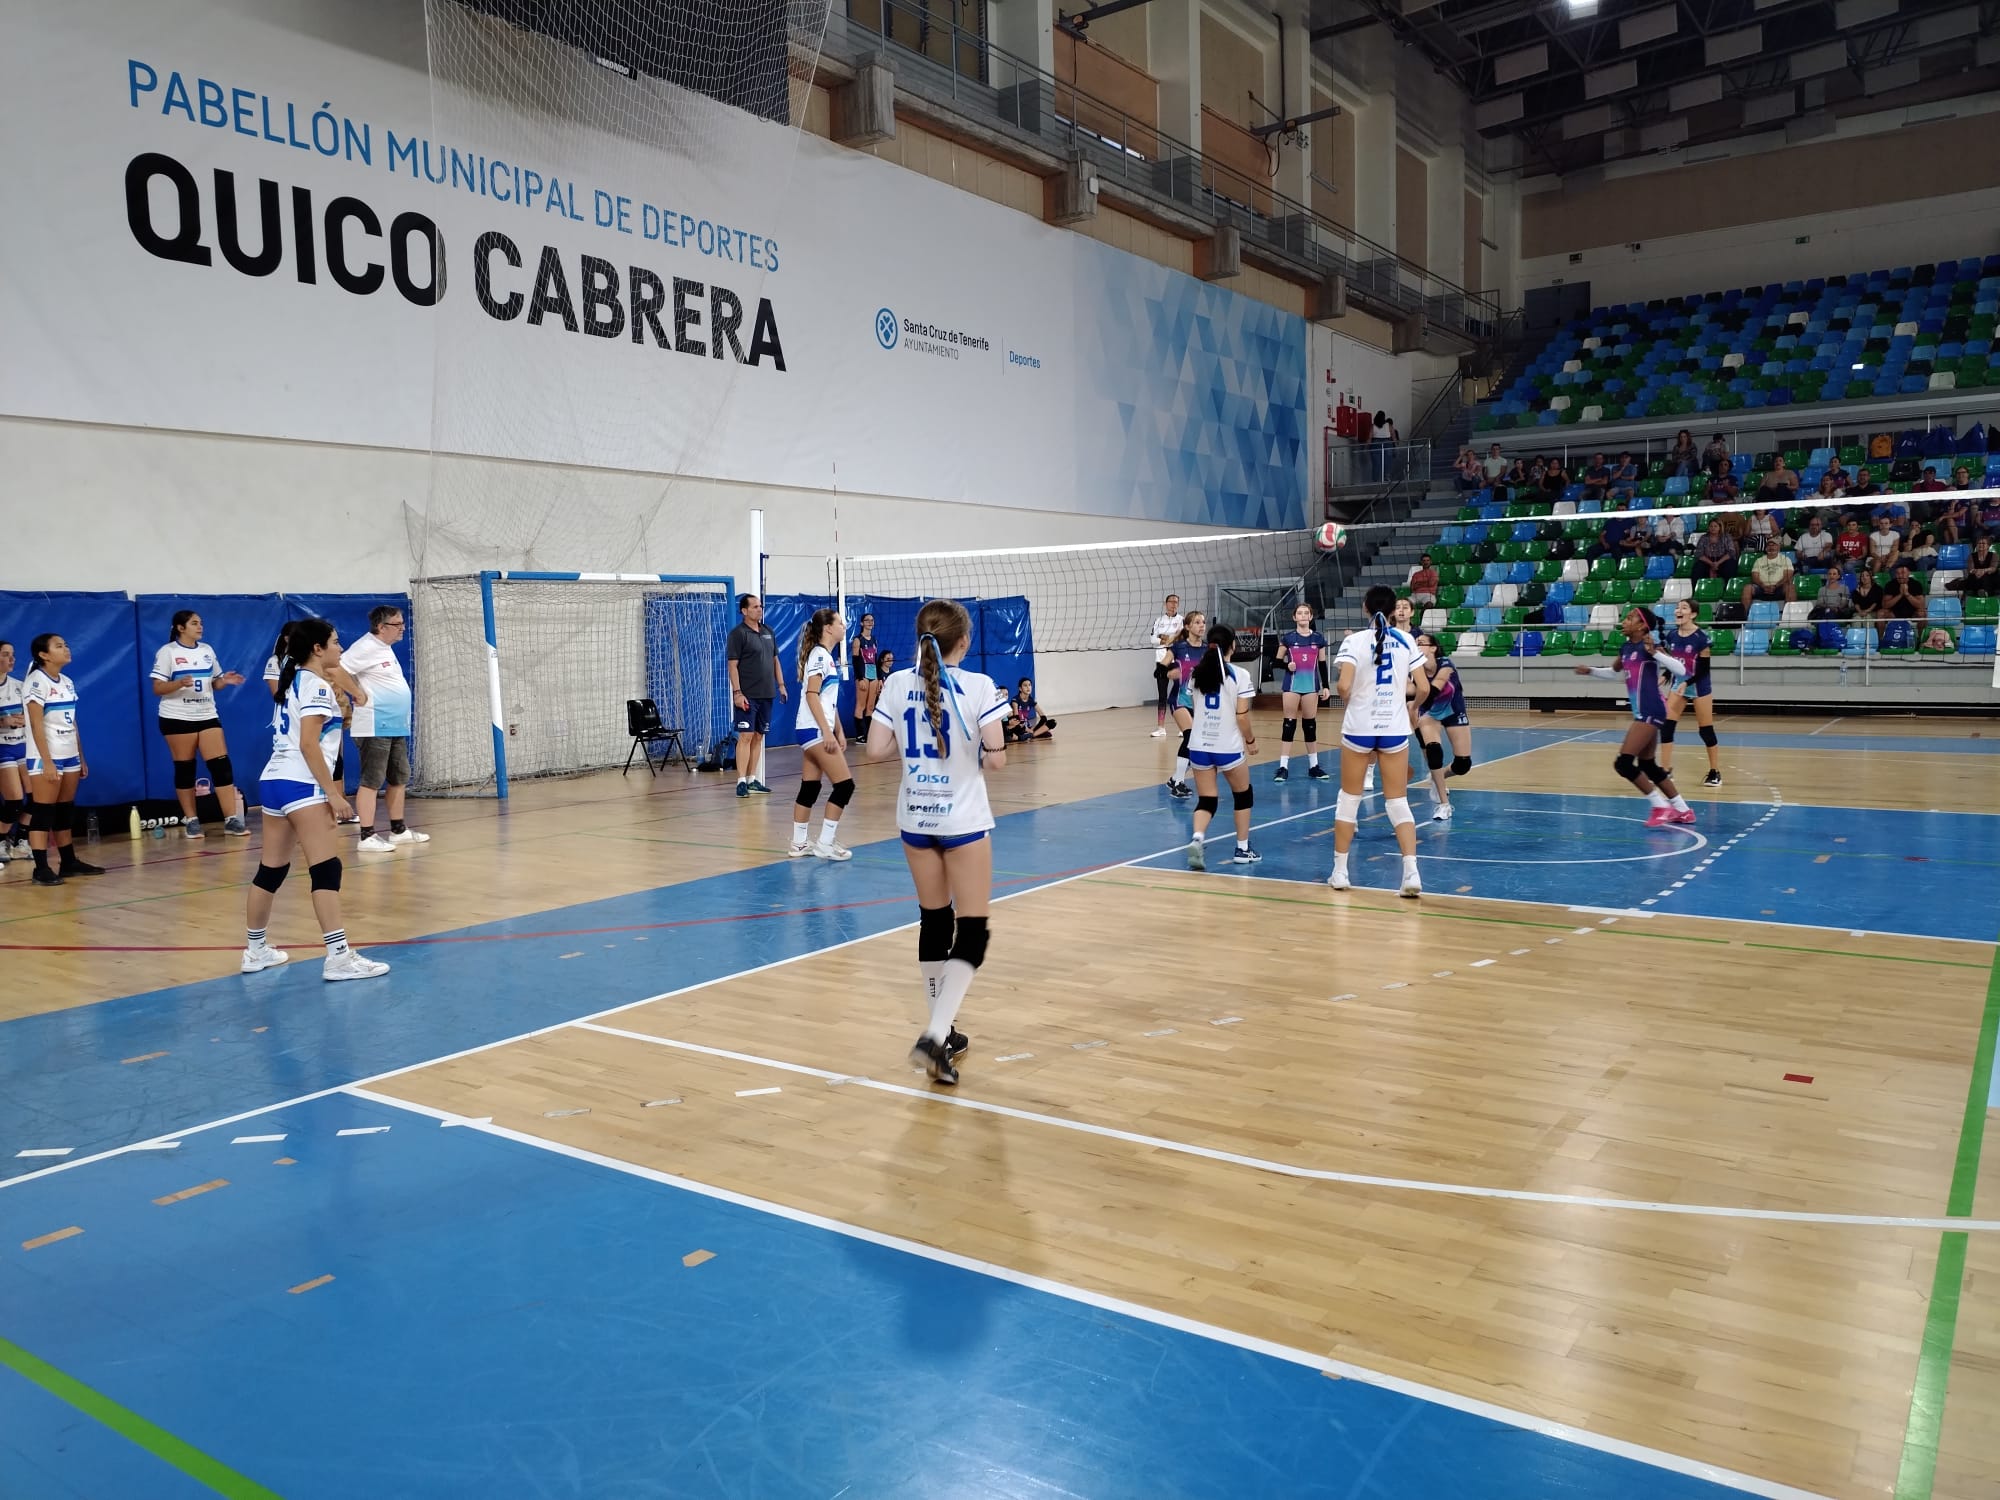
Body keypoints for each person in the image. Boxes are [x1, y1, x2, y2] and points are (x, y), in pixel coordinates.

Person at [865, 598, 1011, 1087]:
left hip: (915, 817)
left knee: (934, 919)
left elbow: (876, 749)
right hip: (962, 818)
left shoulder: (896, 682)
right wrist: (989, 747)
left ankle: (943, 1033)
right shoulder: (979, 685)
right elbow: (995, 760)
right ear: (963, 641)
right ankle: (933, 1032)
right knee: (972, 932)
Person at [245, 618, 388, 981]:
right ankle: (339, 957)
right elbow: (309, 745)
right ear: (317, 649)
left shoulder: (292, 683)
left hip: (274, 781)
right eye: (336, 642)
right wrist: (333, 793)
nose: (341, 649)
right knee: (326, 868)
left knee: (271, 870)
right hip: (302, 784)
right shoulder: (316, 687)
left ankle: (255, 950)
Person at [1327, 585, 1429, 898]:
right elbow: (1423, 687)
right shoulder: (1406, 639)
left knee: (1350, 798)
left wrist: (1355, 699)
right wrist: (1411, 709)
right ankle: (1411, 873)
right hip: (1394, 727)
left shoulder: (1354, 641)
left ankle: (1340, 872)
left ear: (1365, 608)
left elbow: (1343, 685)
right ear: (1392, 609)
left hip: (1360, 726)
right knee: (1397, 801)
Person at [1571, 608, 1696, 827]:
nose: (1624, 621)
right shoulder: (1627, 647)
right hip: (1643, 711)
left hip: (1651, 709)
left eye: (1630, 618)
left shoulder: (1650, 647)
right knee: (1647, 765)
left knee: (1624, 764)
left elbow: (1682, 670)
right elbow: (1613, 671)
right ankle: (1684, 811)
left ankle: (1660, 806)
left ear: (1641, 626)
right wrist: (1590, 670)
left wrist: (1656, 653)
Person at [151, 610, 250, 839]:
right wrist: (177, 684)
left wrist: (224, 681)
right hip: (177, 717)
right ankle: (192, 820)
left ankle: (231, 819)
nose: (200, 627)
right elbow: (158, 688)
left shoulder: (207, 650)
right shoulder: (168, 653)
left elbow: (215, 684)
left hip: (207, 714)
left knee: (221, 767)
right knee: (185, 769)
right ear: (180, 627)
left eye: (201, 623)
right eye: (194, 623)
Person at [341, 605, 427, 851]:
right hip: (375, 725)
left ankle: (398, 830)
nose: (402, 628)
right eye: (396, 624)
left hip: (395, 725)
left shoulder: (385, 649)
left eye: (402, 623)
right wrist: (356, 693)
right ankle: (367, 836)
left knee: (399, 777)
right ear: (381, 627)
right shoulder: (365, 647)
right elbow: (337, 668)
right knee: (371, 780)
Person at [22, 634, 104, 885]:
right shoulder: (36, 682)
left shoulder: (66, 681)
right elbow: (36, 725)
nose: (66, 649)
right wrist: (47, 762)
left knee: (64, 811)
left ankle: (68, 862)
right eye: (59, 646)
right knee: (43, 812)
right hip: (46, 756)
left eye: (66, 644)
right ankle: (40, 868)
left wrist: (80, 756)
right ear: (44, 655)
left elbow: (73, 722)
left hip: (69, 755)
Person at [1182, 623, 1260, 870]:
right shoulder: (1240, 674)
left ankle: (1197, 838)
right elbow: (1242, 717)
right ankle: (1242, 849)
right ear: (1232, 646)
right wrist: (1250, 741)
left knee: (1207, 799)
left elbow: (1190, 706)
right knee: (1243, 795)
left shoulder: (1196, 673)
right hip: (1227, 746)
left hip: (1199, 746)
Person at [786, 608, 856, 861]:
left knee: (811, 787)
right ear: (828, 628)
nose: (844, 625)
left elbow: (826, 698)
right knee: (845, 786)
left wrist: (838, 729)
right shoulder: (819, 656)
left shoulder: (825, 656)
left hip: (812, 728)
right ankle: (825, 844)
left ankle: (799, 843)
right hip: (814, 729)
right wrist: (826, 731)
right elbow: (812, 695)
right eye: (839, 622)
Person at [726, 594, 785, 797]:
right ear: (744, 611)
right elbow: (732, 666)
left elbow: (775, 660)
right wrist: (737, 692)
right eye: (754, 607)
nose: (759, 609)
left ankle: (752, 780)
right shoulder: (738, 634)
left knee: (759, 737)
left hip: (766, 693)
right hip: (747, 695)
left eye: (760, 606)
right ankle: (741, 781)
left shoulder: (768, 631)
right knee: (746, 736)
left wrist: (782, 685)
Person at [1659, 599, 1721, 788]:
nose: (1678, 610)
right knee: (1666, 727)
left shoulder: (1701, 638)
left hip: (1699, 687)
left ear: (1693, 614)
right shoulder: (1672, 636)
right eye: (1678, 607)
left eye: (1684, 607)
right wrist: (1665, 675)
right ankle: (1666, 770)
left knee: (1705, 731)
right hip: (1679, 685)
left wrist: (1687, 683)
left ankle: (1715, 772)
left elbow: (1703, 670)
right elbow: (1675, 663)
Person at [1411, 632, 1472, 821]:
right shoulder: (1413, 669)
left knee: (1463, 765)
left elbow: (1434, 688)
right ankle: (1444, 804)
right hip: (1429, 714)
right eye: (1414, 643)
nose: (1416, 646)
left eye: (1420, 643)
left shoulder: (1445, 664)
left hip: (1453, 711)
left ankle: (1438, 776)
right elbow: (1406, 690)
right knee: (1434, 752)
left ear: (1433, 648)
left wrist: (1412, 701)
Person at [1273, 603, 1330, 783]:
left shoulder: (1318, 639)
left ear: (1311, 617)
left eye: (1307, 612)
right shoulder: (1288, 639)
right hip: (1292, 685)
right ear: (1294, 617)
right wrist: (1286, 665)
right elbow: (1275, 661)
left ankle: (1314, 766)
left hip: (1311, 686)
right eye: (1300, 613)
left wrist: (1326, 686)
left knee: (1310, 725)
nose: (1303, 615)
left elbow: (1322, 664)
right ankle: (1283, 767)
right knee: (1289, 724)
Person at [1165, 611, 1207, 797]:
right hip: (1179, 699)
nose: (1202, 625)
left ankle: (1175, 778)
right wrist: (1170, 671)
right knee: (1190, 737)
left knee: (1198, 743)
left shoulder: (1208, 649)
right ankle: (1179, 784)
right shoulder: (1179, 647)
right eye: (1197, 622)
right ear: (1188, 627)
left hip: (1198, 702)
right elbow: (1163, 666)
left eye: (1203, 622)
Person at [0, 642, 28, 862]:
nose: (12, 659)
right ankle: (1, 841)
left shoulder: (20, 686)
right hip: (3, 749)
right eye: (5, 655)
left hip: (23, 746)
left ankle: (21, 841)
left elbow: (33, 716)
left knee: (39, 798)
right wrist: (3, 721)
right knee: (15, 800)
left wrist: (23, 719)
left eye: (13, 655)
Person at [1149, 594, 1183, 738]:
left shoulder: (1181, 620)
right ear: (1165, 604)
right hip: (1161, 661)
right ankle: (1161, 728)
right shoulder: (1159, 620)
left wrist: (1169, 638)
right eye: (1171, 602)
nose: (1173, 604)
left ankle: (1183, 727)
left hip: (1176, 660)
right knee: (1162, 695)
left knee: (1179, 695)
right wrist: (1167, 638)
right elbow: (1152, 639)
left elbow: (1181, 637)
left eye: (1176, 602)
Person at [848, 612, 883, 742]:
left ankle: (869, 734)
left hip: (873, 673)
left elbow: (876, 659)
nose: (870, 622)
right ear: (862, 623)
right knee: (860, 705)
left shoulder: (874, 640)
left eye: (872, 620)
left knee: (870, 707)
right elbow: (856, 660)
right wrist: (860, 678)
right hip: (863, 674)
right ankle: (860, 735)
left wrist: (879, 678)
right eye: (867, 620)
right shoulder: (858, 640)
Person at [1739, 537, 1796, 613]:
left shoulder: (1785, 559)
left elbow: (1788, 576)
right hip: (1761, 588)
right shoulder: (1759, 560)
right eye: (1769, 545)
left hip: (1779, 588)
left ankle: (1788, 616)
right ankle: (1743, 616)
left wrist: (1776, 586)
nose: (1771, 547)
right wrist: (1763, 586)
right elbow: (1754, 577)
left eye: (1774, 545)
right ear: (1766, 548)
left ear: (1778, 548)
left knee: (1790, 587)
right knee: (1747, 588)